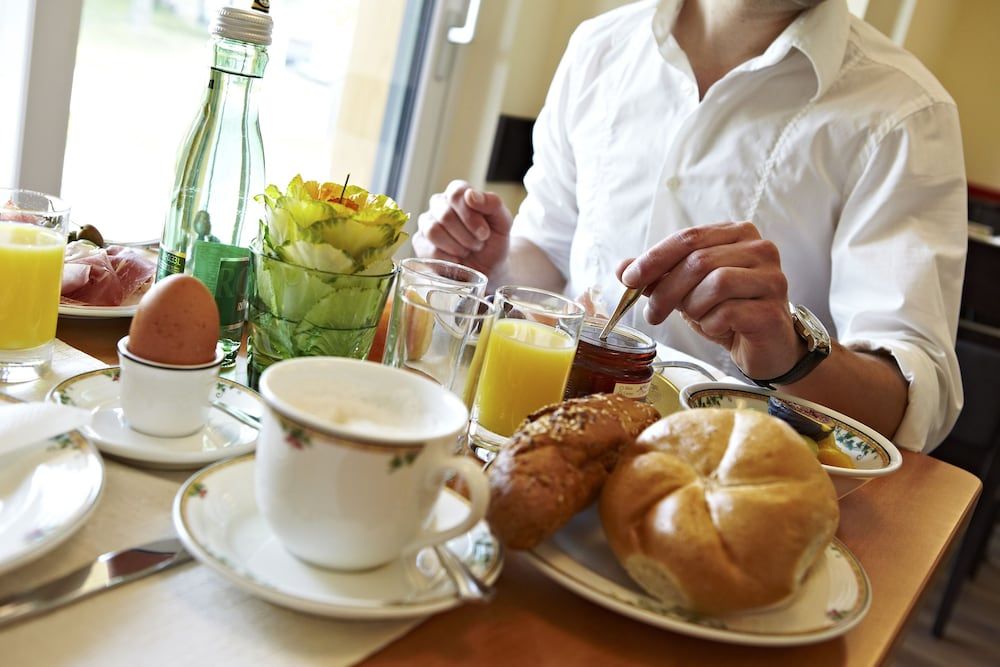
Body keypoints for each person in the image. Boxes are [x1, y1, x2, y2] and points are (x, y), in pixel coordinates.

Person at [412, 0, 967, 453]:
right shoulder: (599, 48)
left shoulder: (904, 112)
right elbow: (551, 252)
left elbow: (912, 404)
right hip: (548, 441)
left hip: (735, 491)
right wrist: (493, 266)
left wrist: (790, 351)